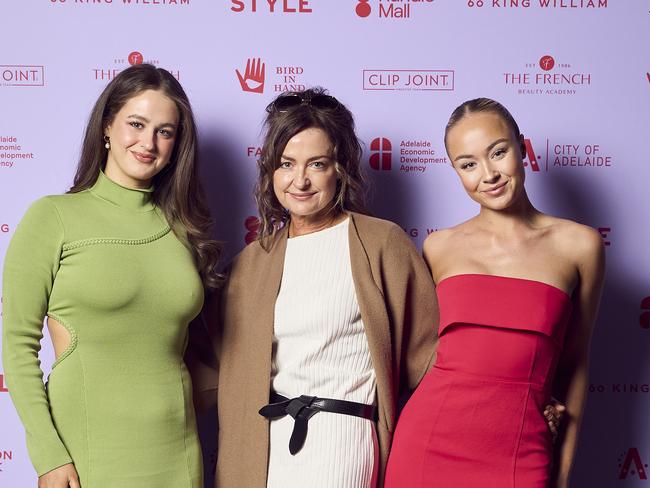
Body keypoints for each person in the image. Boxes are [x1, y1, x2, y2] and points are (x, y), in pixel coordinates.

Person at [200, 88, 439, 488]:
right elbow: (205, 360)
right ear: (270, 173)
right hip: (263, 447)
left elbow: (431, 357)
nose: (300, 180)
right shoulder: (251, 263)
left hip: (344, 443)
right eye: (286, 164)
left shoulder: (381, 243)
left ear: (341, 168)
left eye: (317, 164)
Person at [2, 64, 220, 488]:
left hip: (178, 448)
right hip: (87, 450)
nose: (148, 142)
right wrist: (48, 455)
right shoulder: (53, 217)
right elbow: (17, 346)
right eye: (136, 124)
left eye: (165, 131)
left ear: (177, 145)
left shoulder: (184, 229)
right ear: (107, 126)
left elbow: (190, 347)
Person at [384, 98, 605, 488]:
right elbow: (420, 353)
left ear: (523, 149)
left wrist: (563, 473)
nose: (488, 174)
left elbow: (575, 367)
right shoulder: (439, 247)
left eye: (498, 153)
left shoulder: (580, 245)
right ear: (456, 173)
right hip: (428, 442)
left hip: (521, 446)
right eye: (468, 164)